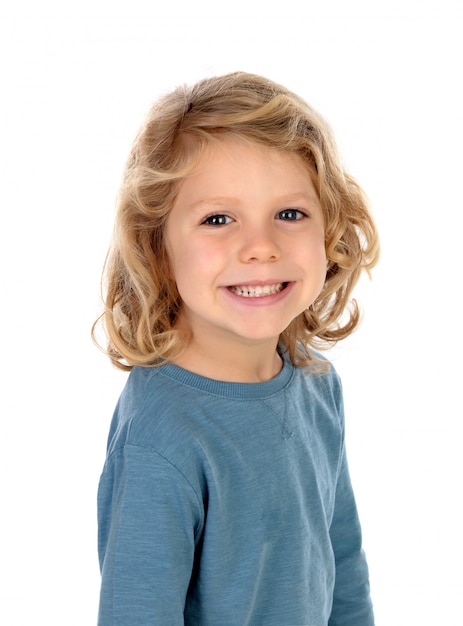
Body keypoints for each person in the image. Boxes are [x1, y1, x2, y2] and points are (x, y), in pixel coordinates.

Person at [94, 71, 380, 625]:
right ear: (157, 247)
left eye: (290, 214)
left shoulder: (316, 382)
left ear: (330, 233)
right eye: (218, 219)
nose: (260, 247)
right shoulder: (162, 438)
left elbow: (343, 564)